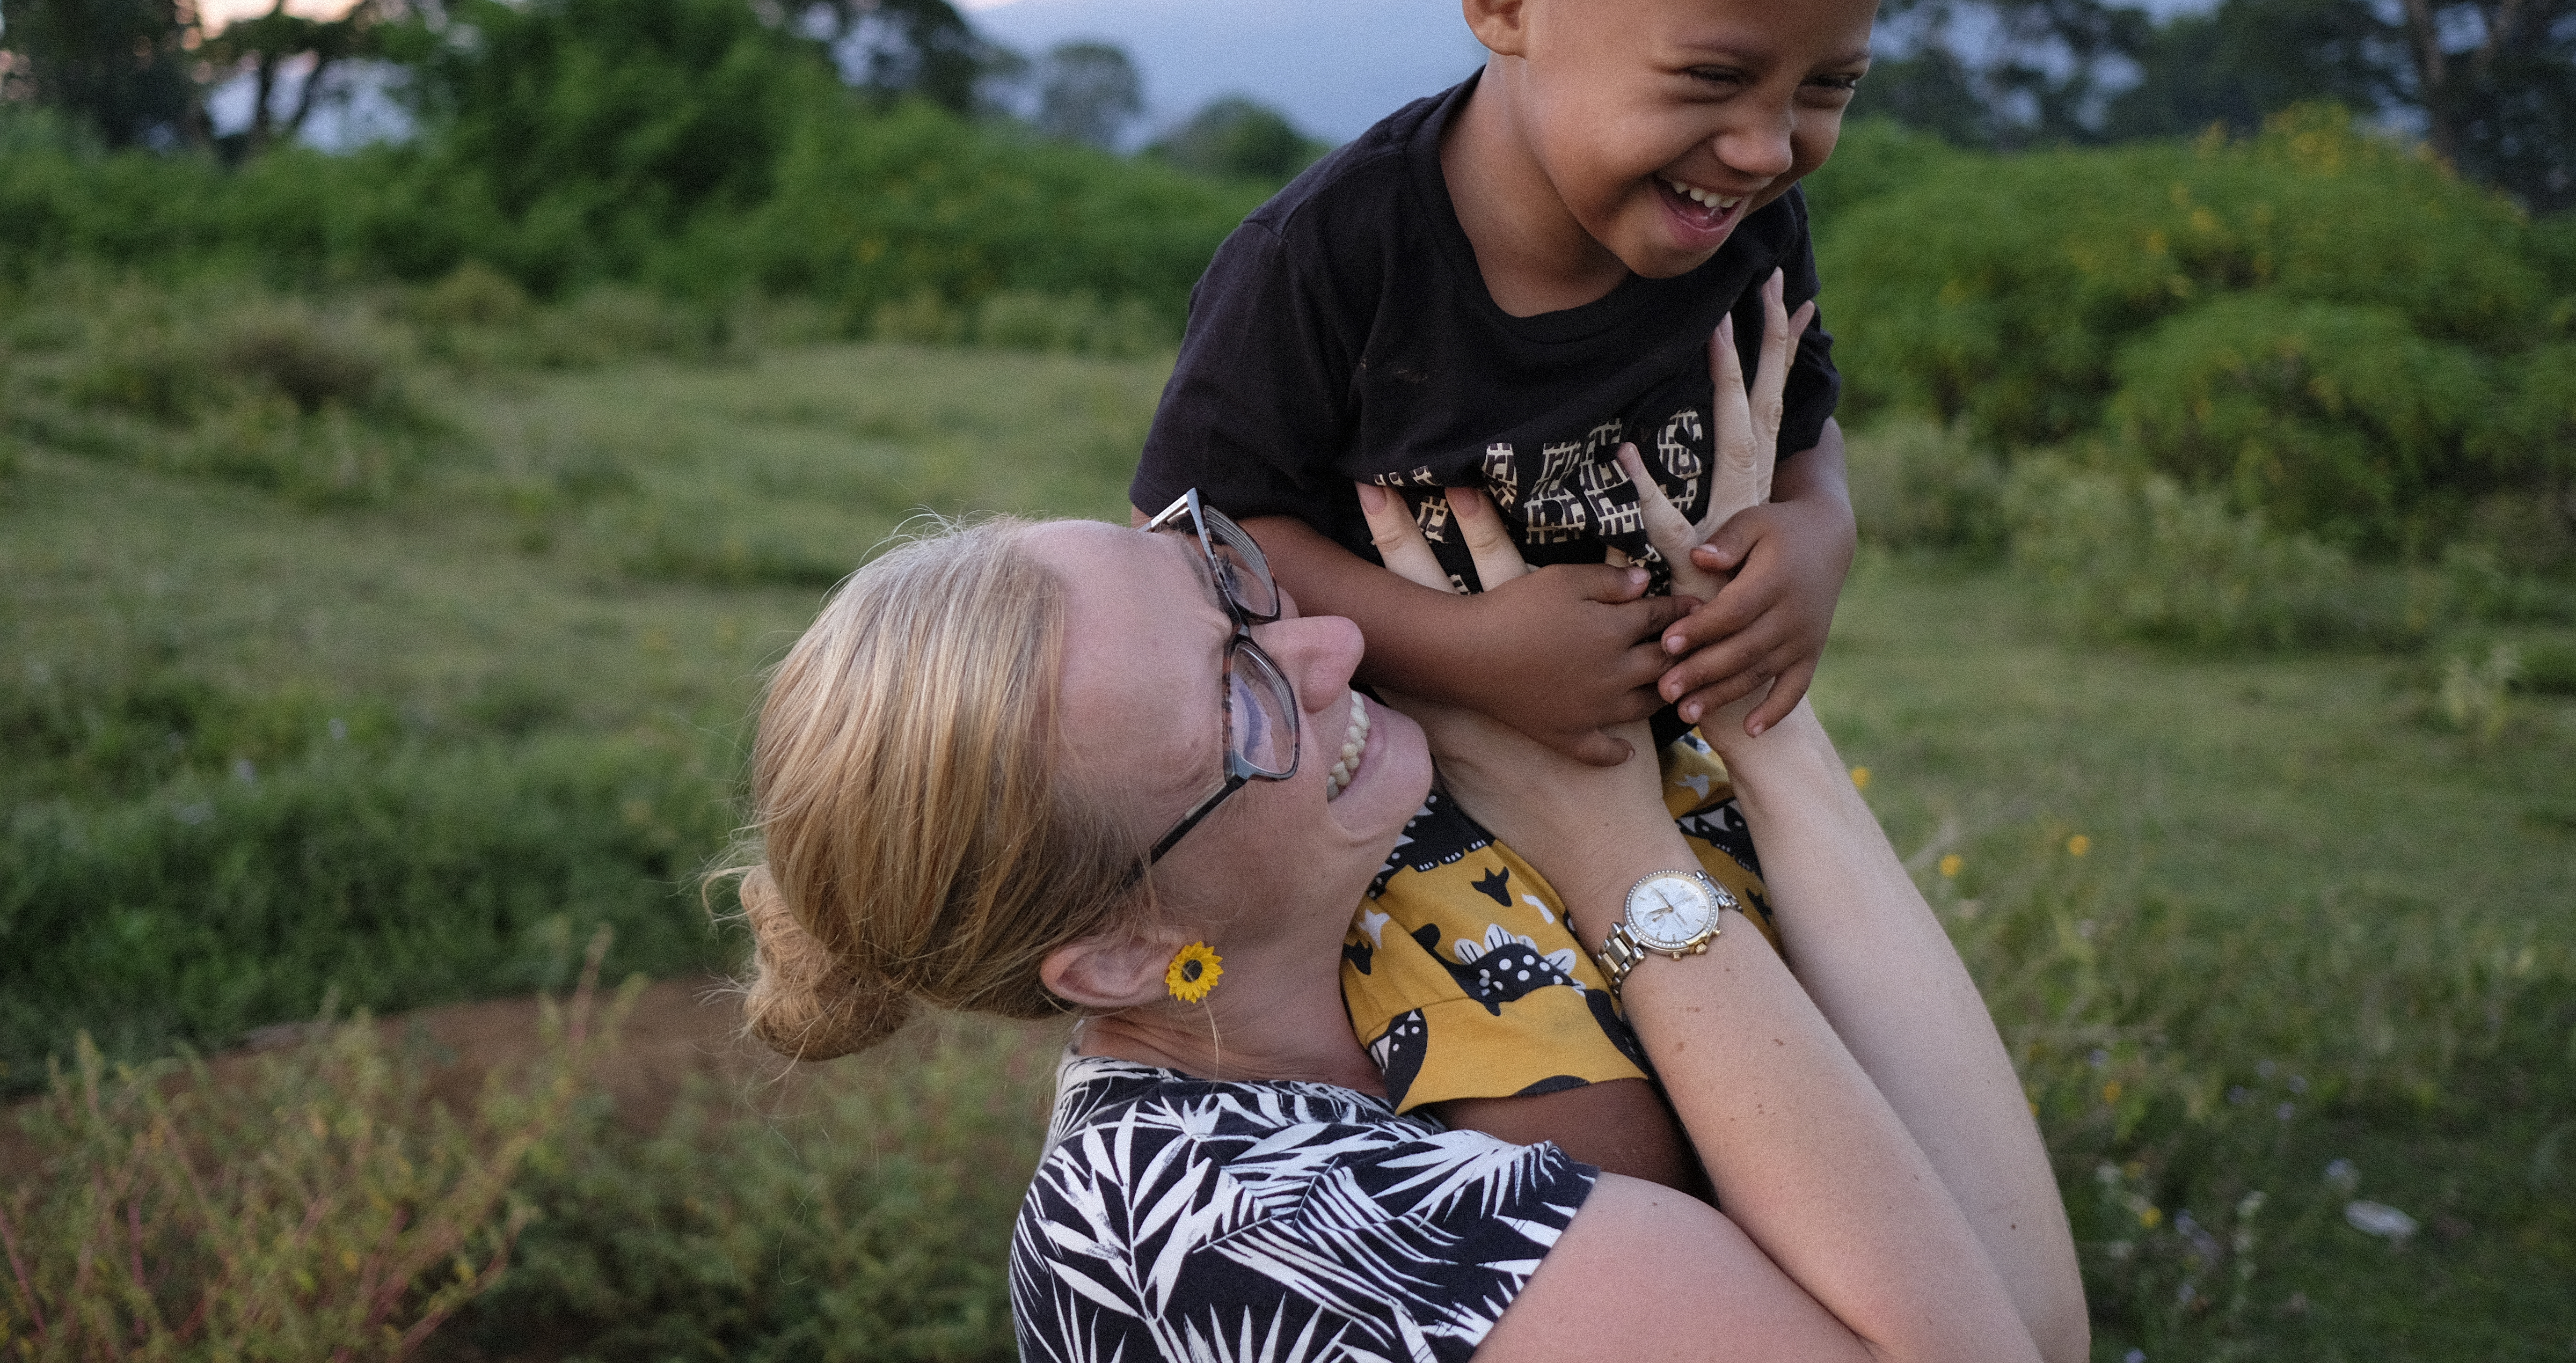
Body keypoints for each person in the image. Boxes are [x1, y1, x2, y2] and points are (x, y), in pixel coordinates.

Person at [730, 374, 2086, 1362]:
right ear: (1124, 950)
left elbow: (2012, 1312)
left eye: (1230, 584)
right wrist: (1624, 860)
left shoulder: (1403, 927)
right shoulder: (1225, 1223)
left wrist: (1753, 712)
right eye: (1242, 703)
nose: (1331, 649)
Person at [1129, 0, 1961, 1175]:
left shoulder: (1751, 227)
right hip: (1412, 809)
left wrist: (1817, 541)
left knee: (1855, 1134)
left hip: (1687, 785)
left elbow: (1806, 435)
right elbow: (1202, 532)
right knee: (1616, 1166)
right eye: (1716, 78)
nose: (1770, 148)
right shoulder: (1334, 257)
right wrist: (1467, 649)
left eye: (1826, 87)